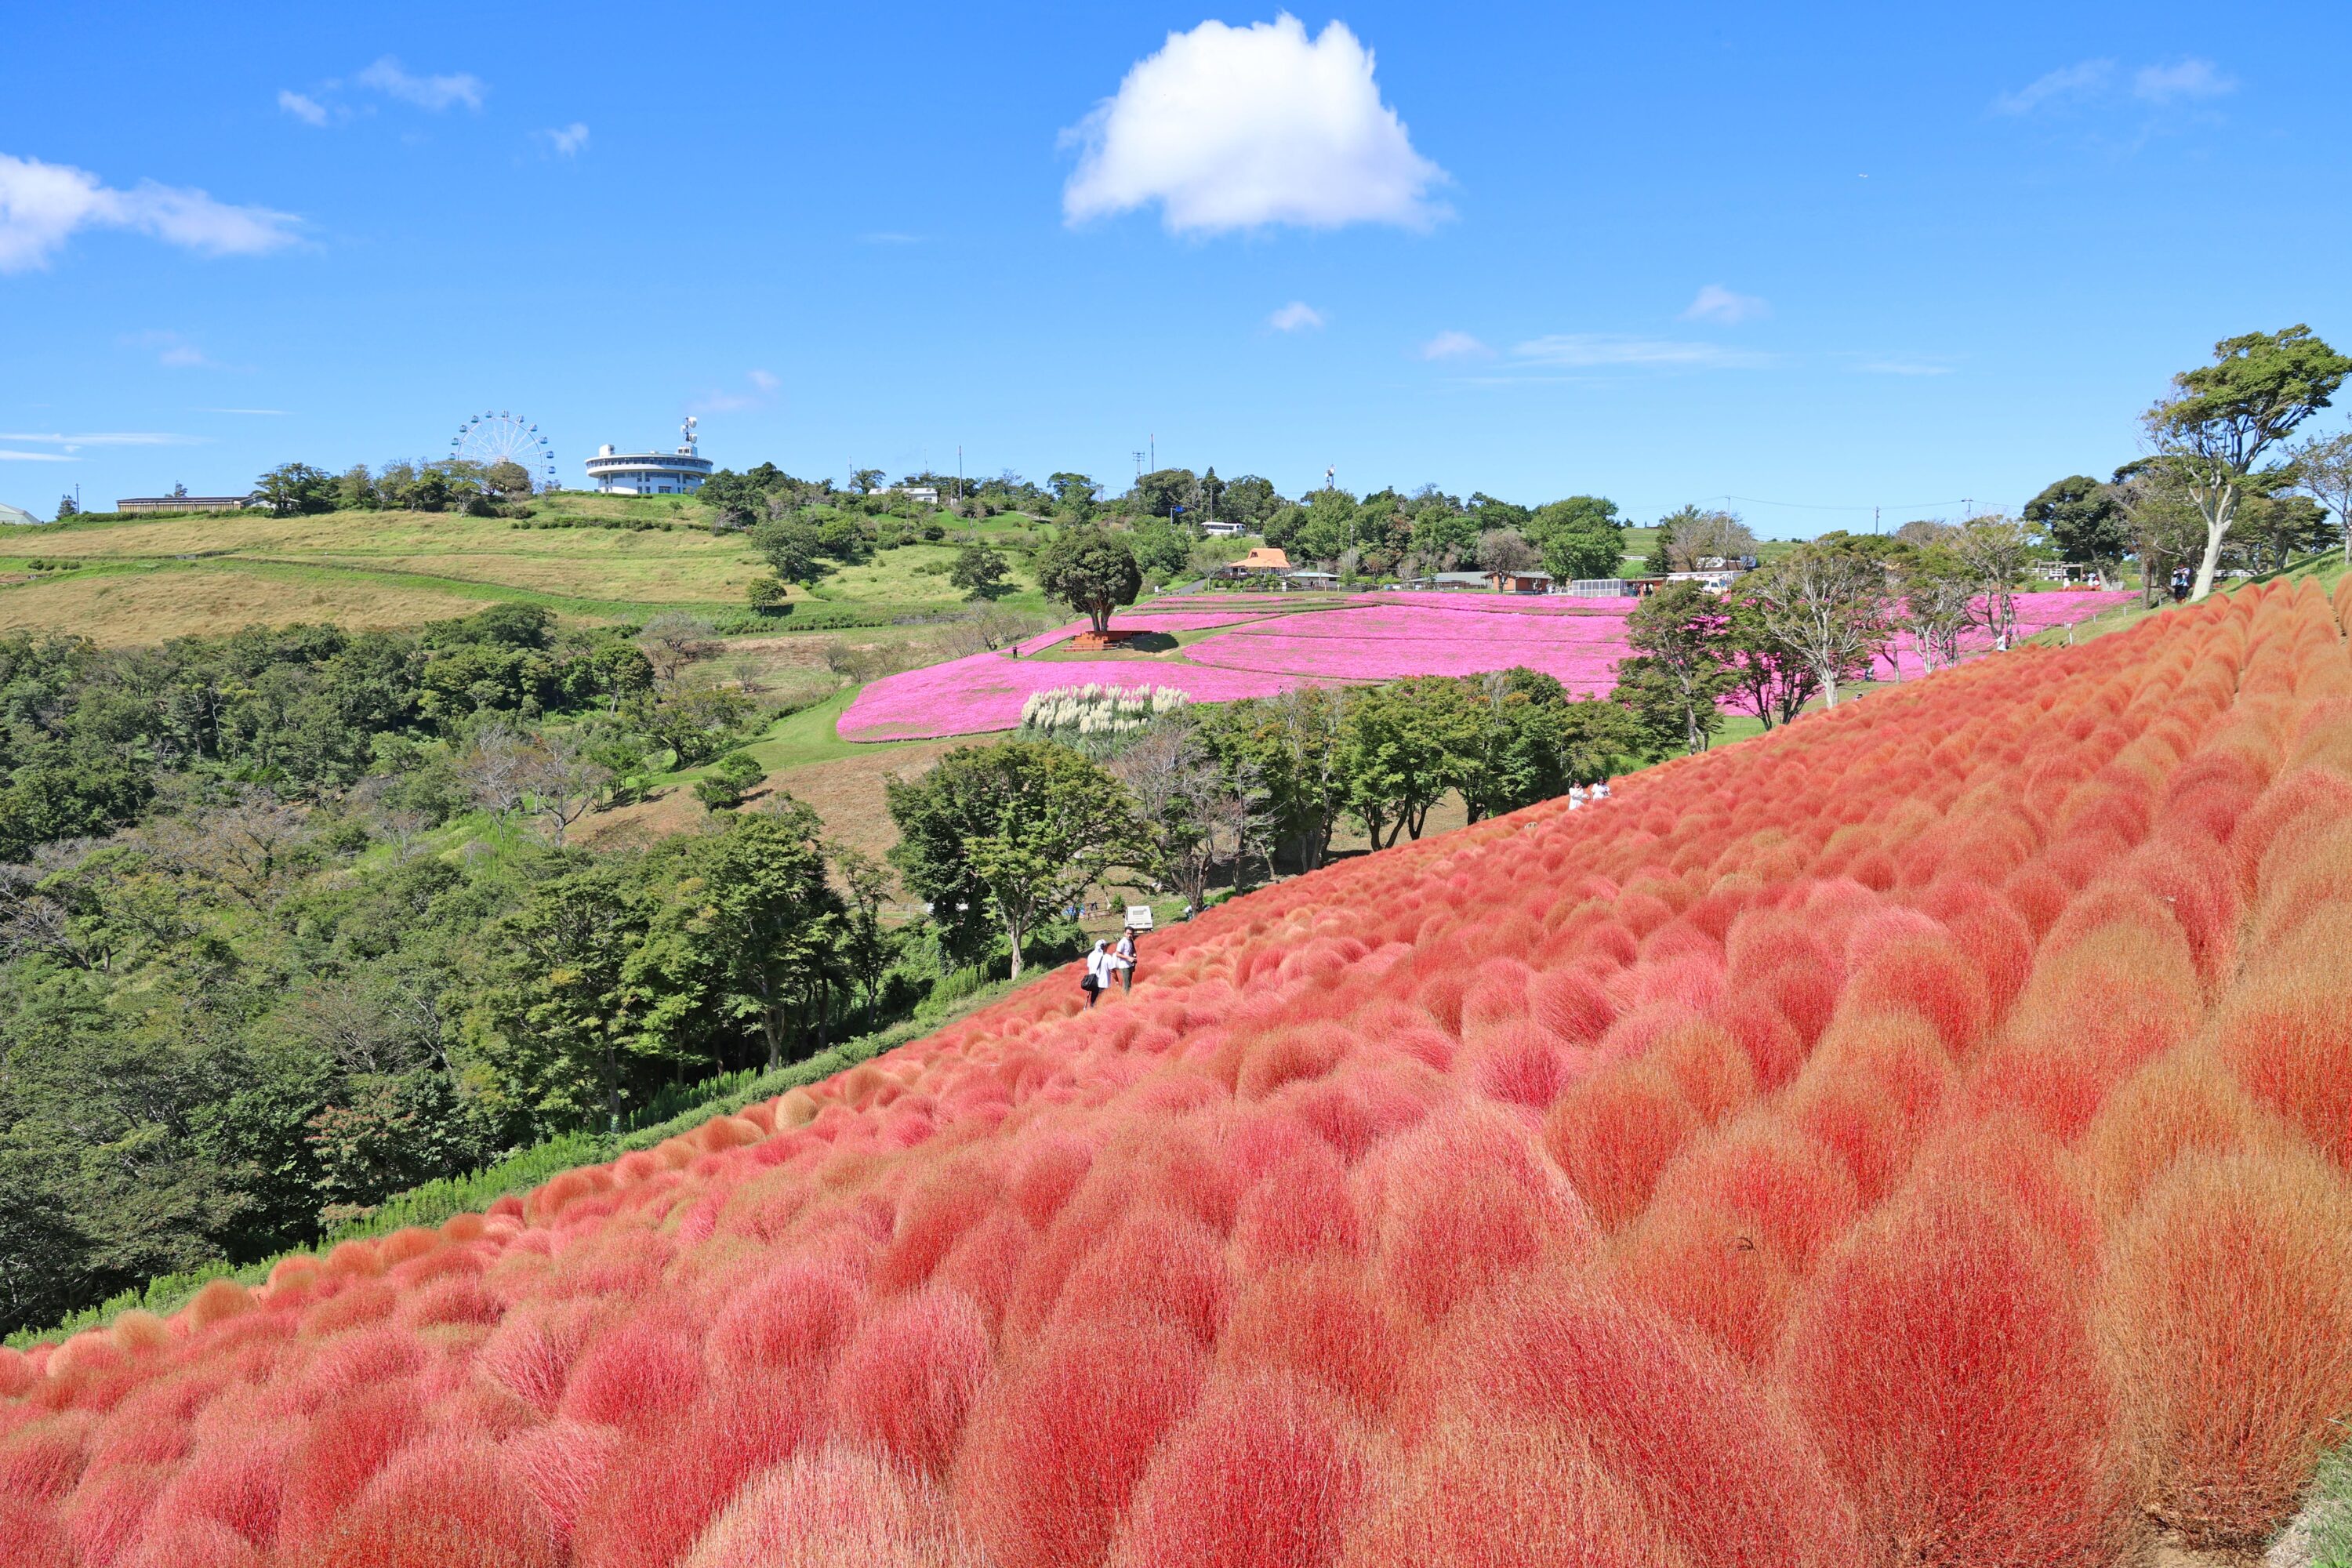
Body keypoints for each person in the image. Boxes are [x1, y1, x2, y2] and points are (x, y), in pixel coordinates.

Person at [1081, 940, 1108, 1007]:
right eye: (1105, 946)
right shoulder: (1104, 956)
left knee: (1094, 999)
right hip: (1102, 981)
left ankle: (1093, 1011)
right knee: (1101, 1000)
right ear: (1103, 947)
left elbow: (1089, 967)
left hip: (1093, 981)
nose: (1106, 948)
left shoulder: (1091, 955)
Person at [1113, 927, 1138, 993]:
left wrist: (1134, 964)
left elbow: (1133, 952)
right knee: (1127, 985)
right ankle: (1125, 1000)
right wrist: (1129, 958)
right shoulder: (1122, 942)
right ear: (1124, 933)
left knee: (1128, 984)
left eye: (1131, 934)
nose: (1129, 935)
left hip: (1129, 965)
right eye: (1128, 933)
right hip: (1124, 966)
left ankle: (1127, 998)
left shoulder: (1130, 941)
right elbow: (1117, 954)